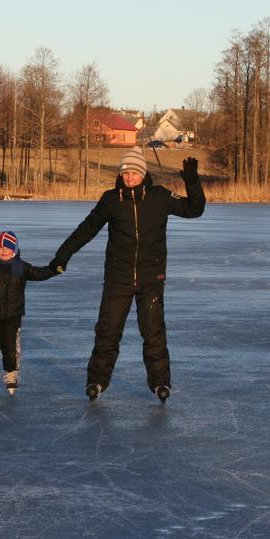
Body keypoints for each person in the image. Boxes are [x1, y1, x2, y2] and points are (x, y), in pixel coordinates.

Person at [50, 147, 205, 402]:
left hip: (151, 277)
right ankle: (97, 381)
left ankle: (160, 383)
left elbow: (194, 209)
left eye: (134, 172)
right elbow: (86, 229)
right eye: (125, 173)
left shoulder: (160, 197)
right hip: (118, 277)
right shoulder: (111, 200)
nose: (129, 177)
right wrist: (62, 255)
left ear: (143, 174)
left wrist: (192, 182)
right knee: (107, 330)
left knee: (153, 331)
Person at [0, 230, 58, 395]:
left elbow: (39, 273)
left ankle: (11, 373)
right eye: (0, 247)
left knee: (10, 346)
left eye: (7, 247)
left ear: (14, 249)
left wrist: (54, 269)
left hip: (13, 315)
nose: (3, 250)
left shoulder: (20, 267)